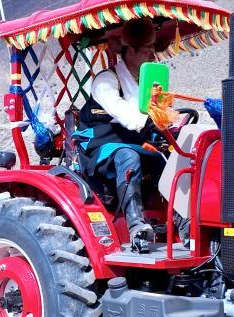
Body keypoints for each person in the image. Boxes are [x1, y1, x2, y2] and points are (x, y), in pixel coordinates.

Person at [76, 18, 163, 253]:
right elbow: (130, 117)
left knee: (172, 158)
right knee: (127, 156)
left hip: (135, 143)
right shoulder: (106, 81)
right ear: (130, 51)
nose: (152, 55)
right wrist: (155, 115)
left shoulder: (148, 84)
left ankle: (185, 225)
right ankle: (136, 225)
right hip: (103, 147)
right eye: (147, 50)